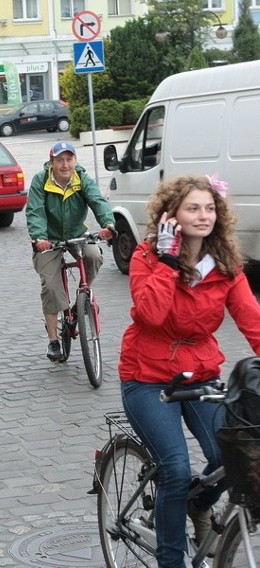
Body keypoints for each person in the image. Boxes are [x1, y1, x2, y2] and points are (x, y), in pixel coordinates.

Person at [119, 175, 260, 568]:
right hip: (147, 379)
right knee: (176, 469)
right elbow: (150, 314)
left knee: (234, 457)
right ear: (171, 216)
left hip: (199, 377)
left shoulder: (226, 265)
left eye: (210, 208)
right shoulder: (147, 257)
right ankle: (171, 561)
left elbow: (254, 322)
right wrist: (166, 259)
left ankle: (199, 505)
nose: (203, 216)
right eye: (192, 208)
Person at [25, 141, 115, 361]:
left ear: (75, 160)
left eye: (69, 159)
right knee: (51, 288)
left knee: (94, 256)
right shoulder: (40, 180)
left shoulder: (82, 178)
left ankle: (83, 297)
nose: (65, 165)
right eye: (59, 160)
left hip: (77, 235)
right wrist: (40, 238)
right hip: (49, 240)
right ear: (52, 162)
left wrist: (108, 224)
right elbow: (35, 211)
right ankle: (54, 340)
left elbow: (97, 200)